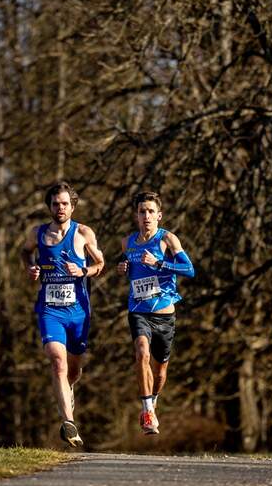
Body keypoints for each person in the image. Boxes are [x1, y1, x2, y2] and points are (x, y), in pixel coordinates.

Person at [23, 181, 105, 447]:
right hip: (50, 310)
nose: (60, 208)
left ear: (72, 206)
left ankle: (69, 390)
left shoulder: (83, 233)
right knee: (58, 361)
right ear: (49, 206)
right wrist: (31, 267)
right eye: (55, 204)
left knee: (74, 367)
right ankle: (69, 423)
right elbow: (25, 253)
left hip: (78, 312)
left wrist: (83, 271)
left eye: (64, 204)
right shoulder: (37, 233)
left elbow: (100, 264)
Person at [116, 192, 194, 435]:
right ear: (136, 215)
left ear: (159, 216)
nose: (146, 216)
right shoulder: (127, 243)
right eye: (142, 211)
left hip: (164, 314)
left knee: (160, 371)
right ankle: (147, 409)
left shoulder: (168, 239)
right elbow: (128, 266)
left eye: (151, 211)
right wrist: (123, 267)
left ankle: (154, 398)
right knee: (141, 353)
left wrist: (160, 264)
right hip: (138, 310)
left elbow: (189, 270)